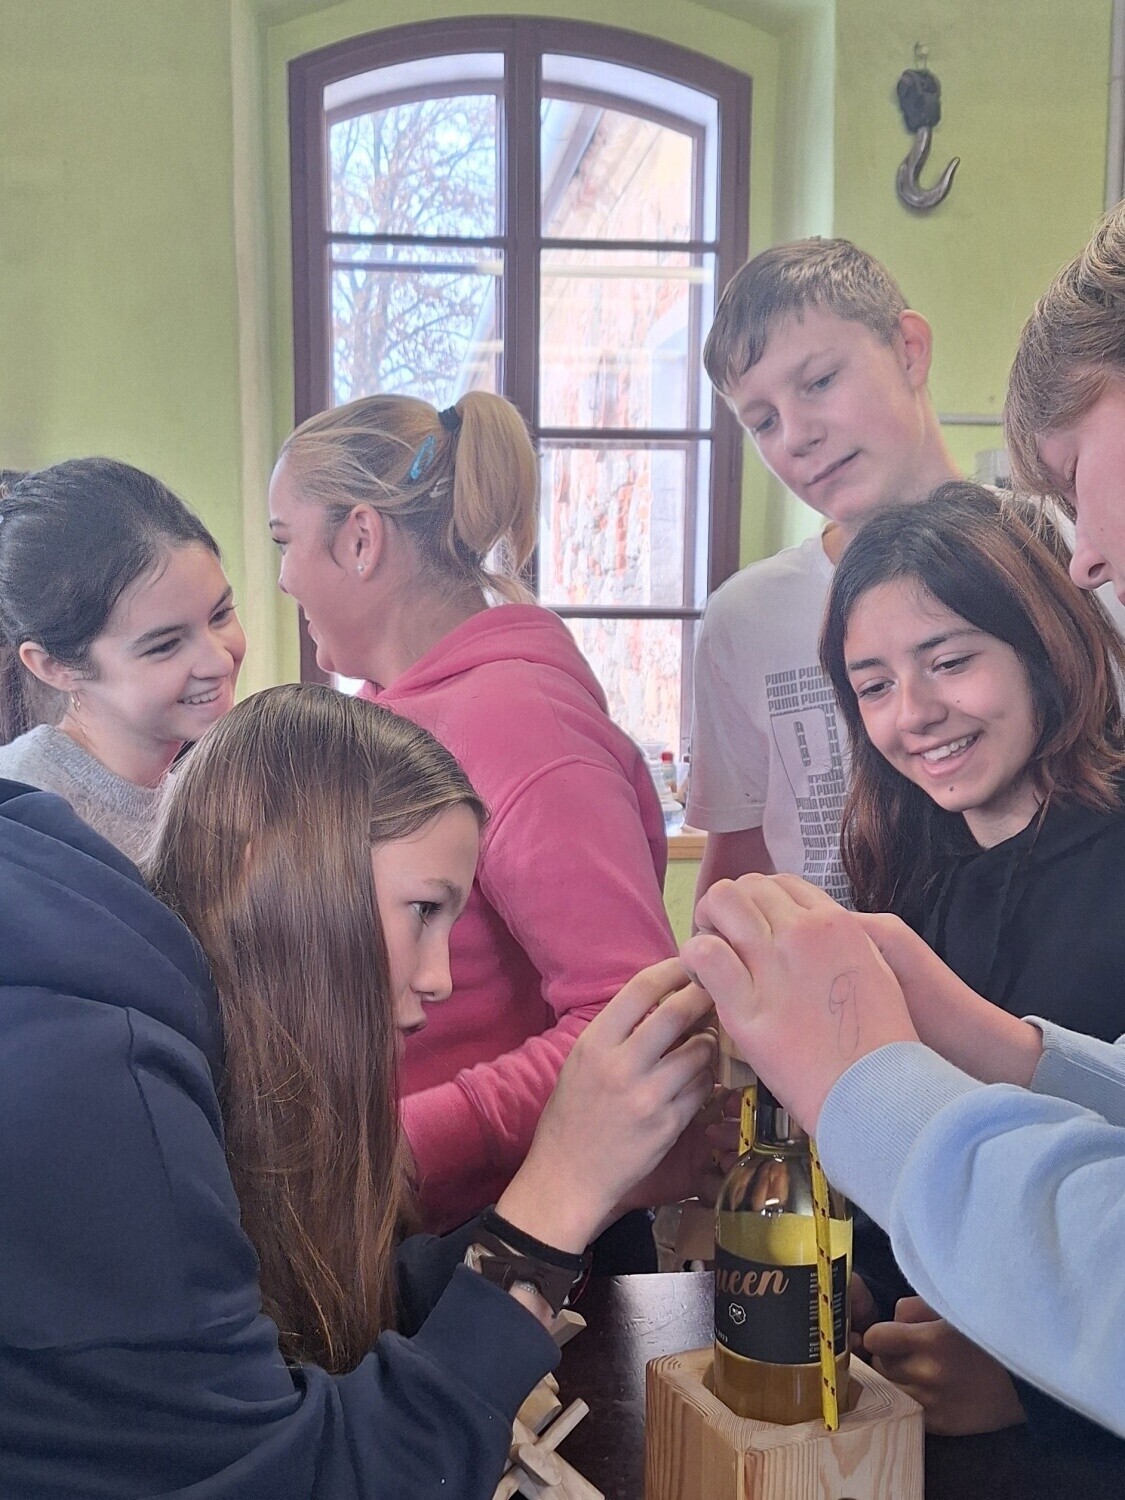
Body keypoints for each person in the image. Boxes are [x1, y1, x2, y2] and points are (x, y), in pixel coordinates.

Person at [0, 683, 716, 1498]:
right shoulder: (101, 1094)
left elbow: (313, 1323)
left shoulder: (146, 1042)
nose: (440, 978)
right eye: (423, 909)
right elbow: (310, 1481)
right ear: (265, 869)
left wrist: (587, 1200)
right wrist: (558, 1195)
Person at [268, 392, 699, 1249]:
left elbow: (636, 1018)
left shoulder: (520, 724)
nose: (281, 577)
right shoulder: (386, 711)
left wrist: (409, 1146)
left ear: (360, 539)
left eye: (286, 540)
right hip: (392, 1222)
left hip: (510, 1243)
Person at [817, 482, 1125, 1476]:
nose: (913, 715)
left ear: (1044, 648)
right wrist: (859, 1289)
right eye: (873, 686)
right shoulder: (908, 877)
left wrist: (1033, 1389)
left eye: (950, 662)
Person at [686, 237, 960, 907]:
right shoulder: (745, 619)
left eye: (818, 382)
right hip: (826, 972)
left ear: (909, 350)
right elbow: (738, 863)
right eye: (762, 422)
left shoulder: (1068, 557)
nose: (796, 435)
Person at [0, 458, 245, 861]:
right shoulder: (20, 821)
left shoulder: (226, 788)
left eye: (220, 615)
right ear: (54, 666)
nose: (219, 662)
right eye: (165, 646)